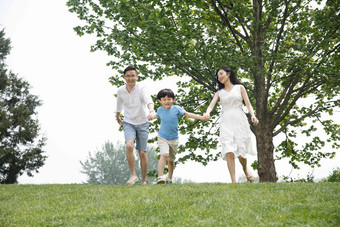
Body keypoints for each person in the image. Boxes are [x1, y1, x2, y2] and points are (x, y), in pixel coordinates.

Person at [204, 67, 259, 183]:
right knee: (229, 151)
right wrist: (207, 113)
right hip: (226, 121)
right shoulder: (219, 93)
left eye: (221, 74)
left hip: (239, 120)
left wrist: (253, 115)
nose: (219, 77)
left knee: (240, 152)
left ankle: (245, 168)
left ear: (228, 74)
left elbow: (248, 104)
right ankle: (233, 181)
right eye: (218, 76)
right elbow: (211, 105)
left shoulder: (240, 88)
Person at [148, 88, 207, 184]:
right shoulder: (160, 110)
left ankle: (170, 179)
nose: (167, 101)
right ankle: (160, 177)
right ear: (160, 101)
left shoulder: (177, 109)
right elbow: (154, 116)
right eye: (164, 99)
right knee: (164, 155)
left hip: (174, 139)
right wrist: (149, 117)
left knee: (171, 160)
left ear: (173, 99)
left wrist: (202, 118)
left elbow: (188, 115)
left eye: (169, 99)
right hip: (162, 137)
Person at [116, 66, 155, 185]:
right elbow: (119, 104)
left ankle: (143, 180)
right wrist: (117, 116)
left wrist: (152, 111)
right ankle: (133, 175)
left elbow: (148, 100)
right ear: (124, 77)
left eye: (133, 75)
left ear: (137, 77)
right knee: (129, 145)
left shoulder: (142, 88)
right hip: (128, 122)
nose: (130, 78)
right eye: (128, 76)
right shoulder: (121, 90)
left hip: (142, 123)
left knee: (142, 152)